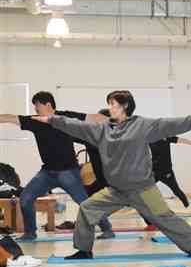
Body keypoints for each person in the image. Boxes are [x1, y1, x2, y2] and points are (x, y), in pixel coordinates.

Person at [35, 90, 191, 259]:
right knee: (87, 208)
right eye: (109, 104)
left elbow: (169, 124)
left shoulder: (142, 125)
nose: (110, 108)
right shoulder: (102, 129)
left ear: (125, 106)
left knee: (164, 217)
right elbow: (76, 126)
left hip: (142, 189)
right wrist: (52, 119)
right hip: (116, 190)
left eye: (113, 104)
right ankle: (83, 250)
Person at [0, 92, 114, 241]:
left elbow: (93, 118)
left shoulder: (66, 117)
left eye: (37, 107)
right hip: (47, 173)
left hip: (68, 172)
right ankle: (30, 233)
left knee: (84, 203)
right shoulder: (35, 121)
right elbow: (10, 117)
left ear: (48, 105)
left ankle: (107, 228)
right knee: (26, 198)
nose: (35, 110)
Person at [150, 136, 191, 208]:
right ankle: (139, 205)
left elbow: (182, 140)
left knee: (176, 190)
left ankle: (187, 206)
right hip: (154, 171)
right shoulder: (149, 138)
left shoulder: (166, 137)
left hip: (166, 172)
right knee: (145, 188)